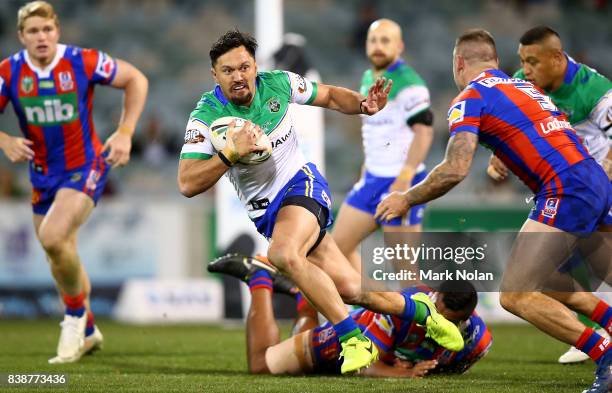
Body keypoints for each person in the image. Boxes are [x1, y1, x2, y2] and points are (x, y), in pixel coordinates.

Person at [177, 29, 463, 374]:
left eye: (244, 67)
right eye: (228, 71)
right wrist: (228, 153)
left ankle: (352, 338)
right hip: (270, 215)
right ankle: (422, 312)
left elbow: (327, 95)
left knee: (283, 254)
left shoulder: (279, 83)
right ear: (215, 75)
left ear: (255, 66)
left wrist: (362, 104)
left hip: (302, 185)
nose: (238, 76)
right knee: (352, 291)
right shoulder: (205, 116)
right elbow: (187, 182)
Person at [374, 29, 612, 392]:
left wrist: (406, 198)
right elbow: (530, 130)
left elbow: (455, 168)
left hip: (566, 188)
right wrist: (504, 155)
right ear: (497, 62)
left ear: (458, 63)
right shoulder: (523, 86)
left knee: (516, 294)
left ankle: (606, 355)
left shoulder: (470, 98)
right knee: (549, 280)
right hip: (594, 179)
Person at [0, 1, 148, 363]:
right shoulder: (8, 72)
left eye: (47, 29)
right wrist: (4, 140)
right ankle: (89, 328)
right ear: (21, 36)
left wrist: (126, 132)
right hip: (42, 175)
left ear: (57, 31)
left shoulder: (82, 61)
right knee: (58, 252)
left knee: (53, 238)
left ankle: (73, 316)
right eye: (33, 31)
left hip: (85, 165)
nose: (42, 37)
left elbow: (136, 79)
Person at [487, 25, 612, 364]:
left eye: (532, 62)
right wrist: (499, 157)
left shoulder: (595, 89)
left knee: (531, 278)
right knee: (543, 273)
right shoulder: (523, 84)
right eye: (521, 61)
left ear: (557, 58)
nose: (525, 70)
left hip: (593, 189)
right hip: (569, 190)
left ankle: (596, 339)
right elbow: (514, 128)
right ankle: (595, 330)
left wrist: (601, 181)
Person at [209, 254, 491, 377]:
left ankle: (301, 294)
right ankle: (258, 276)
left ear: (465, 321)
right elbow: (365, 366)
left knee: (302, 346)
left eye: (448, 321)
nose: (437, 324)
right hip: (353, 338)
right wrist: (402, 375)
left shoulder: (477, 341)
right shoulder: (403, 311)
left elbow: (447, 369)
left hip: (385, 350)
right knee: (262, 364)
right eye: (436, 315)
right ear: (434, 297)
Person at [333, 19, 434, 272]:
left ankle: (425, 311)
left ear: (399, 46)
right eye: (374, 40)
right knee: (335, 252)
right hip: (372, 180)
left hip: (402, 183)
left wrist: (404, 178)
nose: (378, 46)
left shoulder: (409, 82)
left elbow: (424, 133)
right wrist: (366, 170)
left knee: (405, 270)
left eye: (385, 40)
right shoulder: (369, 77)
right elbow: (376, 130)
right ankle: (363, 308)